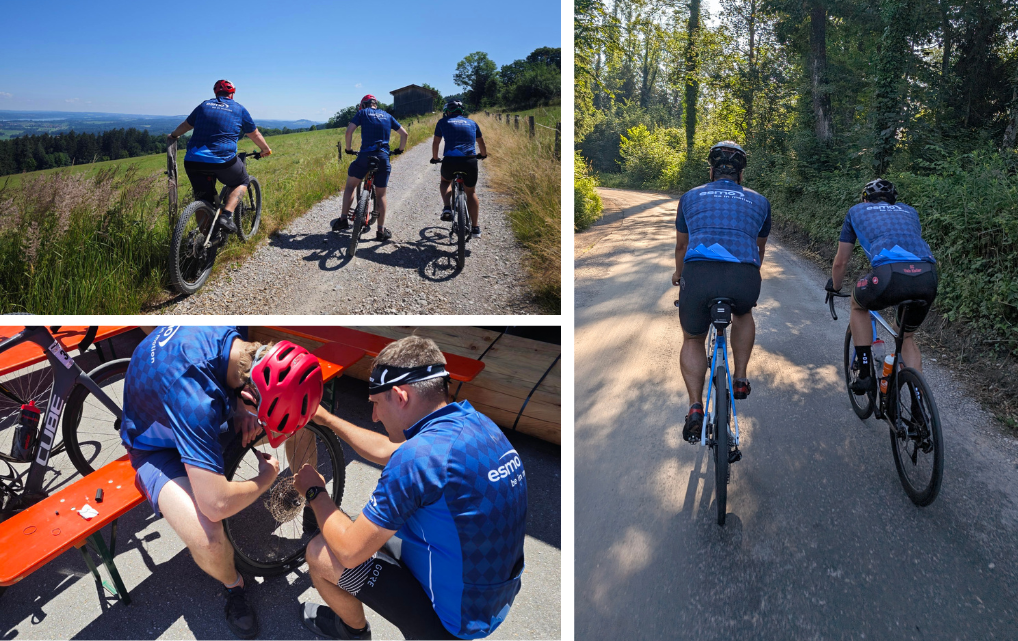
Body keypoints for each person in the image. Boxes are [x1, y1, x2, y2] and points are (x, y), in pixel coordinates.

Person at [294, 336, 527, 640]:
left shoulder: (418, 460)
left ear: (400, 396)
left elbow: (350, 552)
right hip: (490, 599)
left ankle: (352, 630)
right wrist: (327, 419)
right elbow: (390, 450)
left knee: (322, 550)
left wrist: (315, 492)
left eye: (376, 404)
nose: (374, 416)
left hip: (449, 625)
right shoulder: (476, 425)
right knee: (366, 527)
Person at [120, 327, 323, 639]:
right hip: (155, 446)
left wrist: (242, 408)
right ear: (248, 392)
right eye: (264, 418)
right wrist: (265, 478)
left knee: (302, 426)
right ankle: (234, 585)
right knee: (208, 537)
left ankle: (313, 503)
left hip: (196, 400)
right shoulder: (195, 400)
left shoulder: (238, 343)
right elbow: (216, 504)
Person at [671, 141, 772, 444]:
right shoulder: (760, 201)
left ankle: (694, 407)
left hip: (699, 275)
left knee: (692, 338)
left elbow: (681, 246)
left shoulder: (690, 197)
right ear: (741, 174)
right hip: (743, 275)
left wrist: (679, 274)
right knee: (744, 313)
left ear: (712, 170)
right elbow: (759, 248)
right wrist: (749, 274)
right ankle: (740, 377)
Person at [826, 178, 938, 392]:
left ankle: (866, 374)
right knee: (906, 337)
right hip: (927, 275)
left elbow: (841, 261)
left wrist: (836, 286)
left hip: (889, 274)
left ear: (865, 198)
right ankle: (920, 404)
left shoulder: (857, 210)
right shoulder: (910, 211)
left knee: (859, 305)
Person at [167, 80, 272, 235]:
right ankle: (227, 216)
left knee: (202, 199)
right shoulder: (239, 109)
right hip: (222, 161)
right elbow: (254, 134)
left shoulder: (204, 105)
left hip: (193, 161)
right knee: (241, 180)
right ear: (232, 93)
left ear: (215, 93)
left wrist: (174, 135)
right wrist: (265, 149)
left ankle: (205, 241)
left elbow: (186, 125)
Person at [332, 95, 409, 242]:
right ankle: (380, 231)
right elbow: (404, 134)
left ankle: (343, 220)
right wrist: (400, 149)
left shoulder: (362, 113)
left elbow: (349, 132)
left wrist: (348, 149)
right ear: (375, 104)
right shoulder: (387, 115)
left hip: (365, 156)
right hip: (383, 157)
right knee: (381, 195)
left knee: (350, 186)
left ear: (363, 105)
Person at [431, 100, 487, 239]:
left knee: (445, 181)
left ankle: (447, 208)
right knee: (471, 192)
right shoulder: (472, 123)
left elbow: (436, 142)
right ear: (462, 111)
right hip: (470, 161)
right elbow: (481, 142)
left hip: (450, 161)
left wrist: (435, 158)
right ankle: (475, 228)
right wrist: (483, 155)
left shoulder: (442, 122)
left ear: (448, 111)